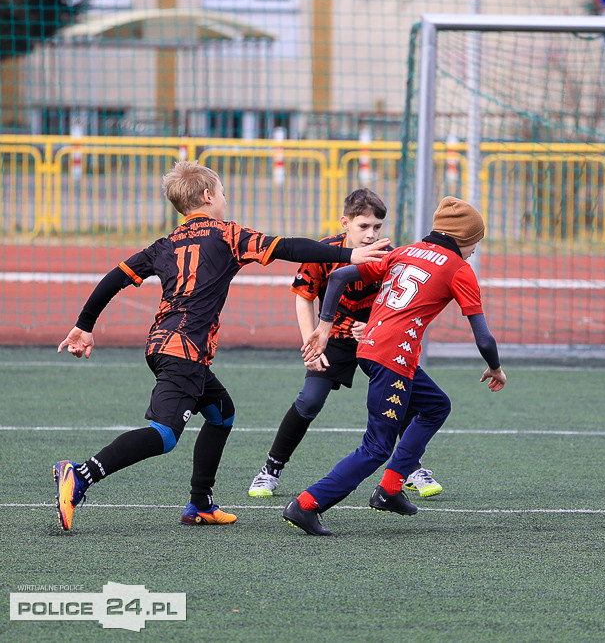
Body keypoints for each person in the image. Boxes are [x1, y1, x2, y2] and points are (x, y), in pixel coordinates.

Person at [52, 161, 389, 531]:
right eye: (223, 193)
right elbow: (288, 246)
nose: (226, 199)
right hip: (182, 351)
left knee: (222, 413)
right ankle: (81, 474)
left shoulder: (166, 244)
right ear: (208, 196)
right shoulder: (227, 234)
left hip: (164, 344)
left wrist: (84, 325)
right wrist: (348, 255)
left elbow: (114, 278)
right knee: (164, 436)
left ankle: (200, 503)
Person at [282, 196, 507, 535]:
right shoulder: (459, 269)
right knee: (376, 447)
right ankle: (306, 504)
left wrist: (325, 326)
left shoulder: (404, 251)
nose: (474, 250)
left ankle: (389, 489)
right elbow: (484, 338)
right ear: (462, 237)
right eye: (475, 241)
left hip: (371, 349)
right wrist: (495, 368)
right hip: (393, 358)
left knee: (436, 406)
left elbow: (339, 276)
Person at [248, 189, 443, 499]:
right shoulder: (325, 252)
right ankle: (271, 469)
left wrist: (373, 327)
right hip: (333, 338)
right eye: (363, 226)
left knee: (403, 394)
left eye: (377, 227)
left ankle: (409, 467)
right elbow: (304, 297)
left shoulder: (388, 254)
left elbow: (396, 304)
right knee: (310, 401)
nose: (371, 234)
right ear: (345, 222)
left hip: (377, 340)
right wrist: (312, 342)